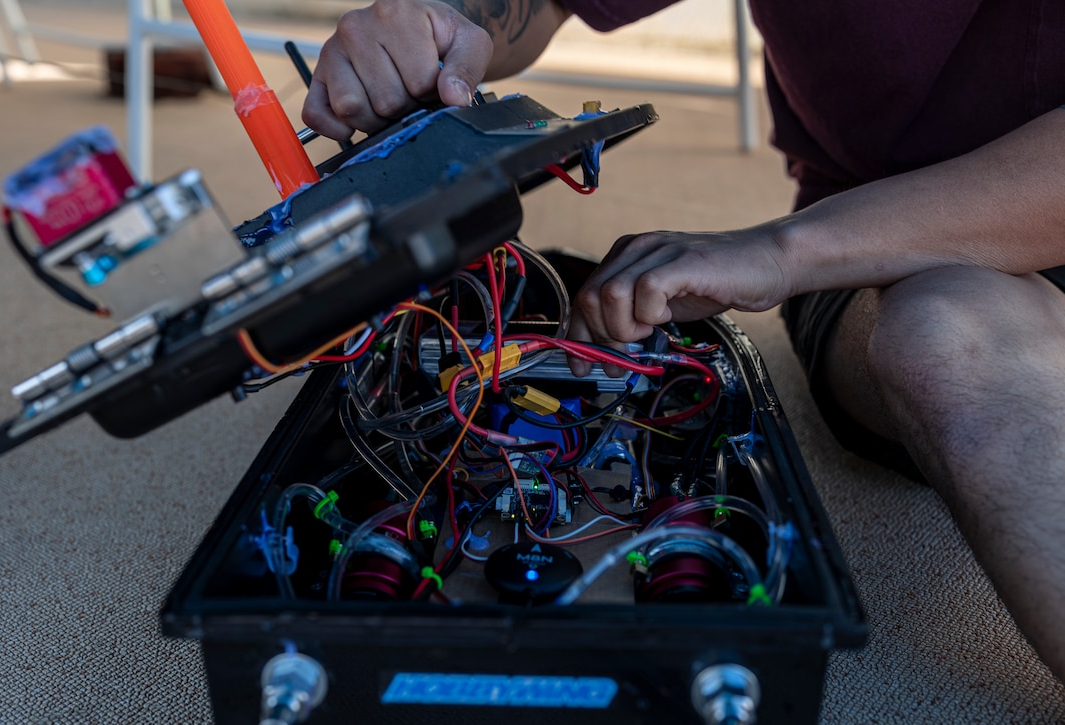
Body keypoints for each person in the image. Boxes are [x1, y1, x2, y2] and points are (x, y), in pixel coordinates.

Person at [302, 0, 1065, 681]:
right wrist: (436, 21)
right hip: (885, 248)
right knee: (945, 343)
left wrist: (781, 248)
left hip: (845, 236)